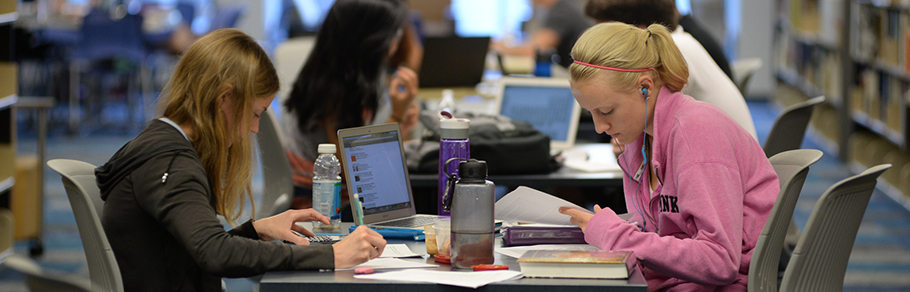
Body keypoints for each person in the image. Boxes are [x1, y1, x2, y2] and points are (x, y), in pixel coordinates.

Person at [95, 28, 386, 292]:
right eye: (256, 112)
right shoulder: (171, 163)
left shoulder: (163, 145)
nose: (255, 128)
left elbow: (191, 250)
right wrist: (331, 255)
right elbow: (214, 253)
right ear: (225, 98)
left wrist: (256, 230)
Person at [559, 22, 778, 291]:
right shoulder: (639, 138)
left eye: (606, 111)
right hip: (671, 280)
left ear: (645, 88)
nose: (599, 127)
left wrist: (619, 237)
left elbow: (719, 261)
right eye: (590, 113)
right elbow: (658, 234)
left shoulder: (696, 134)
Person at [282, 0, 420, 207]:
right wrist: (397, 117)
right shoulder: (334, 95)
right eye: (394, 35)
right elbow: (358, 175)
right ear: (371, 41)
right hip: (323, 207)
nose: (396, 43)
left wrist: (400, 125)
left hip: (341, 199)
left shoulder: (347, 79)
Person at [584, 0, 757, 142]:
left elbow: (651, 133)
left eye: (607, 37)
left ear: (640, 31)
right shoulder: (681, 41)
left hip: (719, 166)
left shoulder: (673, 52)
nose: (603, 48)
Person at [491, 0, 594, 68]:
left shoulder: (561, 12)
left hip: (581, 77)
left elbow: (533, 50)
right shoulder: (563, 7)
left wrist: (496, 46)